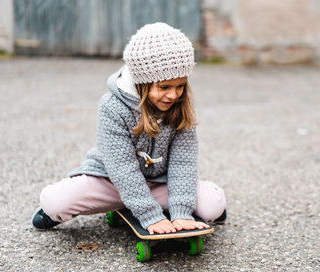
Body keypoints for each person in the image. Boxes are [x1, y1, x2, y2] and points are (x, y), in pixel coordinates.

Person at [31, 22, 226, 234]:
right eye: (164, 87)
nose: (174, 95)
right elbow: (121, 168)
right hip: (112, 182)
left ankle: (180, 202)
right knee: (55, 202)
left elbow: (183, 161)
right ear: (142, 81)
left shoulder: (180, 106)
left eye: (180, 86)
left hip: (160, 182)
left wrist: (182, 212)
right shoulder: (112, 106)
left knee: (212, 206)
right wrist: (149, 215)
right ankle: (125, 205)